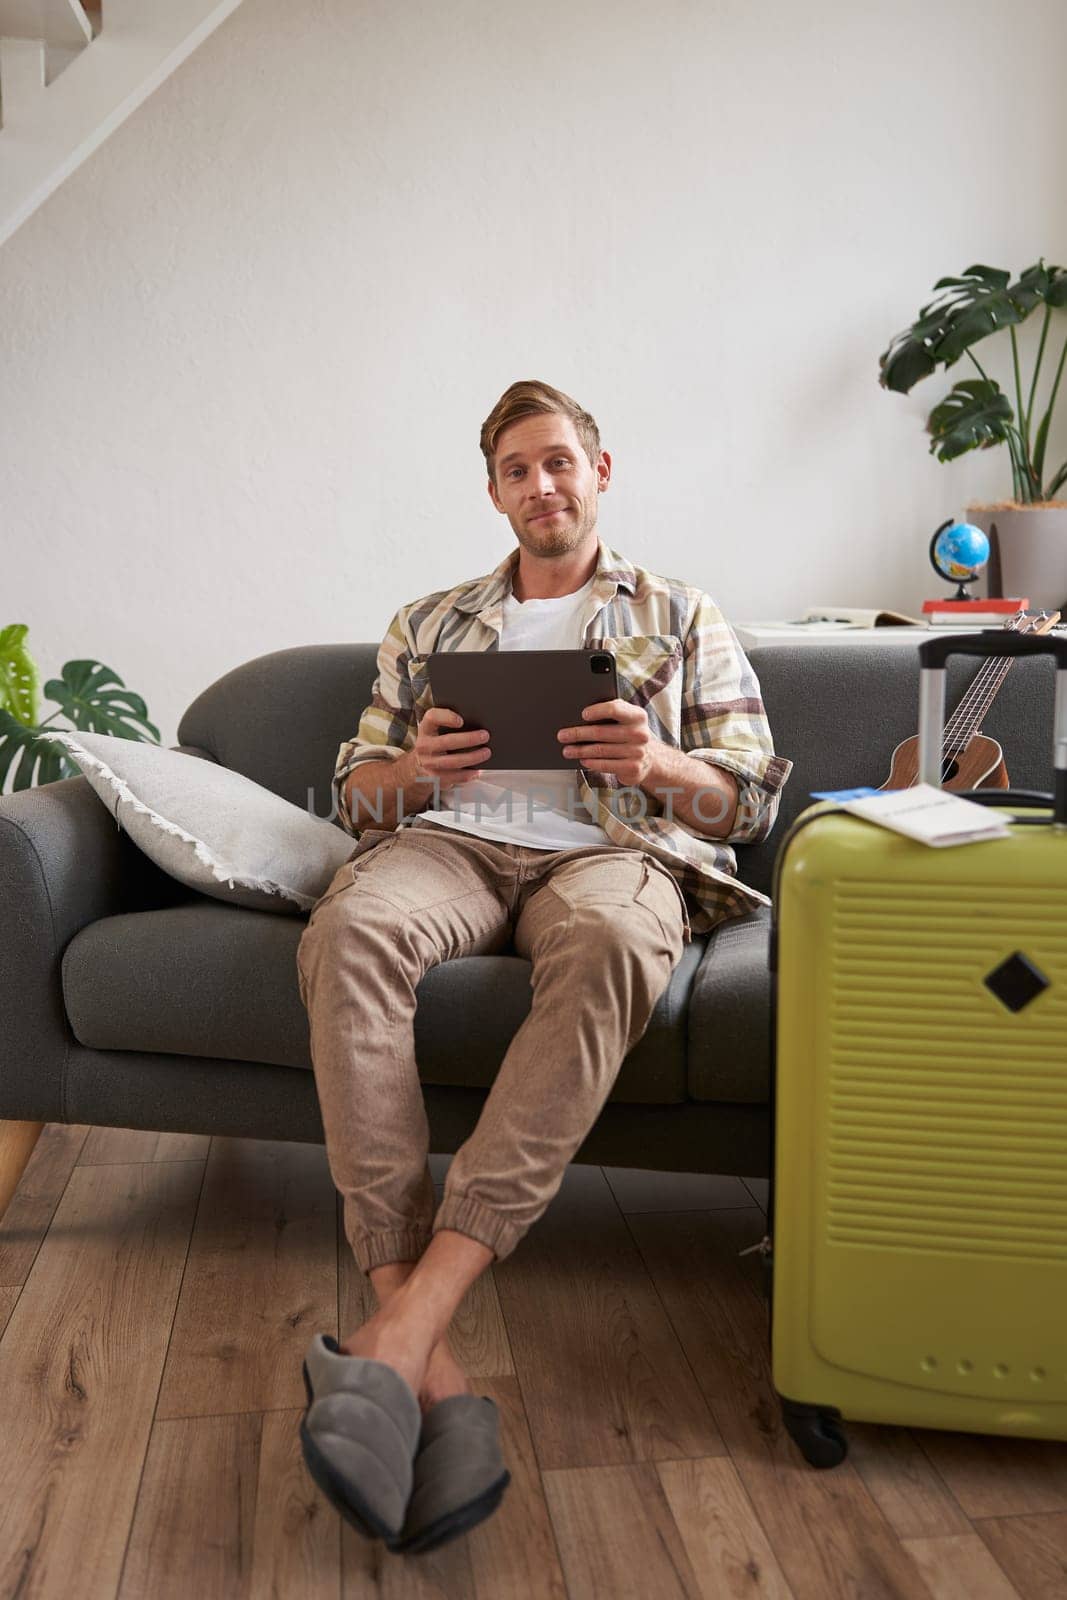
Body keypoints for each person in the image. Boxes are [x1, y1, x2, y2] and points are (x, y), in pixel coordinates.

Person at [296, 380, 792, 1552]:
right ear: (493, 491)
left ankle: (419, 1314)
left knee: (619, 941)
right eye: (516, 470)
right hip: (453, 847)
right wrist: (420, 766)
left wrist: (661, 763)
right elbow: (358, 800)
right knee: (351, 929)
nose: (541, 486)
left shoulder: (679, 611)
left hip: (613, 856)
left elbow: (744, 806)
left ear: (599, 472)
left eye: (559, 462)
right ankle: (410, 1330)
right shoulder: (428, 622)